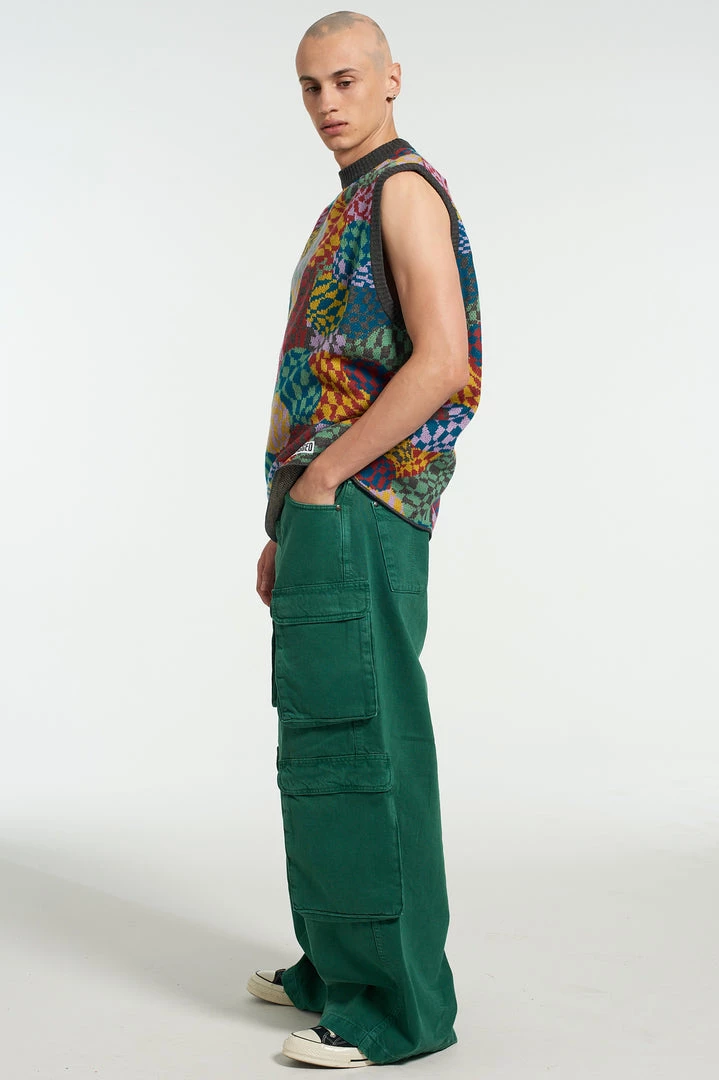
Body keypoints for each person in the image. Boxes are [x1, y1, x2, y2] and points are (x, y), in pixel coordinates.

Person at [249, 10, 482, 1069]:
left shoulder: (401, 191)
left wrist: (327, 477)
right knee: (319, 740)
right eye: (310, 87)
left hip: (363, 506)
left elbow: (441, 361)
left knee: (368, 744)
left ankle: (396, 1008)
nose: (326, 104)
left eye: (345, 80)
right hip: (320, 514)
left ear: (392, 78)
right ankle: (334, 961)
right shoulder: (347, 198)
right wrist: (283, 521)